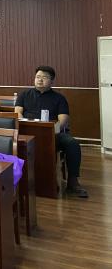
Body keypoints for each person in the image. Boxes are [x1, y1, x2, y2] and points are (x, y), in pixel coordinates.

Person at [15, 66, 88, 198]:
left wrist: (51, 131)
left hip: (53, 133)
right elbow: (18, 113)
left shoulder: (59, 98)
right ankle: (20, 179)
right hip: (28, 131)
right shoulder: (24, 94)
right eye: (38, 77)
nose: (40, 80)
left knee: (72, 144)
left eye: (44, 77)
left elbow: (63, 120)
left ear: (52, 81)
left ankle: (73, 182)